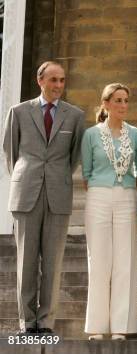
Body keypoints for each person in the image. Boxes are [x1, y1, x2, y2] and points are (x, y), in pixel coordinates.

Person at [2, 61, 85, 335]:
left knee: (53, 263)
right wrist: (27, 177)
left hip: (58, 195)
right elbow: (10, 152)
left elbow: (74, 157)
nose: (58, 86)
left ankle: (46, 322)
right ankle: (27, 323)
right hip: (26, 193)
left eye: (62, 80)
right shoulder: (18, 112)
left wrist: (55, 177)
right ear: (40, 81)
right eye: (53, 80)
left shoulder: (75, 116)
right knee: (26, 261)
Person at [81, 83, 137, 340]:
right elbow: (86, 173)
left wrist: (125, 190)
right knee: (99, 261)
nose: (123, 105)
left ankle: (121, 326)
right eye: (117, 100)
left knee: (124, 262)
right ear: (105, 104)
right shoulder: (91, 135)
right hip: (97, 196)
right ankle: (96, 326)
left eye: (126, 100)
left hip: (127, 197)